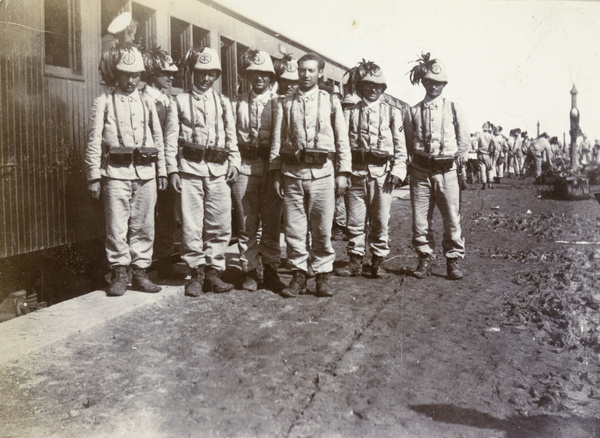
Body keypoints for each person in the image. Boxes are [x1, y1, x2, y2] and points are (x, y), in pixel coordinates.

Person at [85, 43, 167, 296]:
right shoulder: (104, 102)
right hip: (115, 174)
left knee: (144, 224)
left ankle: (141, 272)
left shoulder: (147, 101)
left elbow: (157, 137)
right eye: (125, 74)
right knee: (116, 226)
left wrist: (161, 170)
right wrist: (93, 176)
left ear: (141, 76)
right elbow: (93, 139)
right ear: (117, 75)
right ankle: (120, 273)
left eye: (135, 75)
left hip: (145, 173)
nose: (131, 80)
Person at [270, 52, 351, 297]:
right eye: (302, 70)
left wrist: (343, 172)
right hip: (292, 174)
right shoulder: (286, 102)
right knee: (295, 229)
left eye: (311, 71)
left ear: (320, 74)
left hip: (323, 174)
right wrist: (275, 172)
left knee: (322, 229)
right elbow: (277, 139)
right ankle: (298, 276)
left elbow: (342, 139)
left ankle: (323, 276)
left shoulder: (330, 101)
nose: (305, 75)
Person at [164, 46, 241, 297]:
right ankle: (196, 272)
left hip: (218, 170)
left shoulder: (223, 102)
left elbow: (231, 136)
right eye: (201, 72)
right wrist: (172, 170)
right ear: (192, 73)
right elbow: (171, 139)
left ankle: (214, 272)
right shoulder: (180, 101)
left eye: (211, 74)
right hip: (189, 169)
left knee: (219, 223)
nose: (206, 78)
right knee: (191, 223)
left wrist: (234, 162)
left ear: (216, 76)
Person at [334, 60, 407, 278]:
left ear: (382, 88)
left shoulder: (391, 112)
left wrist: (397, 171)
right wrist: (343, 172)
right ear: (361, 87)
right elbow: (343, 145)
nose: (373, 89)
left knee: (380, 219)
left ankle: (378, 260)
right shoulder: (350, 112)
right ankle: (355, 260)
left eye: (377, 86)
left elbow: (400, 147)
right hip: (356, 173)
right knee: (355, 220)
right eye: (368, 85)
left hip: (381, 174)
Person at [407, 53, 469, 280]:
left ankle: (453, 260)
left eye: (438, 83)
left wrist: (456, 164)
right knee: (420, 219)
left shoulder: (453, 108)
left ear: (444, 84)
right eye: (429, 82)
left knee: (452, 217)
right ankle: (424, 259)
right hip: (421, 172)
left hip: (447, 172)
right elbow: (409, 144)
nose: (434, 86)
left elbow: (464, 142)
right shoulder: (412, 111)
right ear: (423, 83)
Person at [231, 49, 285, 292]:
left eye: (264, 74)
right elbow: (231, 136)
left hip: (270, 168)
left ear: (270, 77)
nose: (259, 79)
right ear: (248, 76)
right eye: (254, 74)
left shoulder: (279, 103)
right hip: (244, 166)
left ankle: (271, 269)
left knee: (272, 222)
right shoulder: (237, 103)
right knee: (246, 223)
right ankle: (250, 270)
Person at [141, 47, 184, 281]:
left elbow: (171, 138)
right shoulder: (142, 98)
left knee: (166, 215)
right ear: (152, 72)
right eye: (166, 72)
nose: (171, 77)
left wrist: (169, 169)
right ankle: (139, 265)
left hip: (165, 168)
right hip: (145, 168)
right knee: (142, 217)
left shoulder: (168, 101)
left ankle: (164, 261)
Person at [476, 121, 497, 189]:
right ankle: (490, 183)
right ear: (488, 128)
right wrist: (494, 150)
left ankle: (484, 184)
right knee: (489, 169)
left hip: (480, 154)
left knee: (482, 169)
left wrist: (476, 149)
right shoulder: (490, 136)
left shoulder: (479, 135)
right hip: (487, 154)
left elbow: (474, 142)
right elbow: (495, 143)